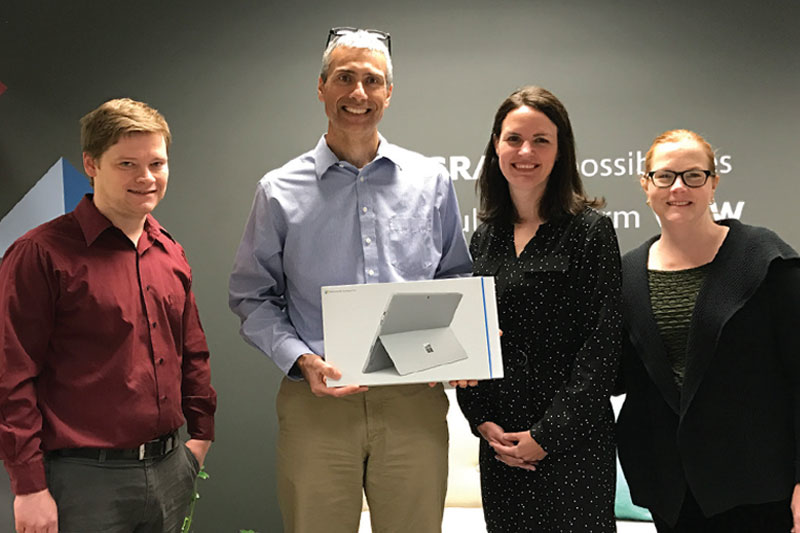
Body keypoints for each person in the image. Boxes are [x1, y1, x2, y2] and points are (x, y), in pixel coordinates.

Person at [228, 28, 471, 533]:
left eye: (371, 81)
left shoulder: (431, 181)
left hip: (412, 401)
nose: (358, 94)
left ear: (388, 93)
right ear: (321, 88)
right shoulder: (278, 190)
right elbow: (253, 297)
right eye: (344, 79)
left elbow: (455, 276)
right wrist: (300, 359)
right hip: (318, 402)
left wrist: (457, 349)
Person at [0, 98, 216, 533]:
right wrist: (28, 487)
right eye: (127, 164)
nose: (146, 178)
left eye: (157, 162)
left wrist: (200, 439)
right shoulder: (41, 254)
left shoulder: (169, 252)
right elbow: (10, 373)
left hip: (170, 469)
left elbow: (192, 352)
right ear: (91, 164)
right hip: (82, 482)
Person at [456, 86, 622, 532]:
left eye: (541, 140)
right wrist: (481, 420)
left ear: (560, 149)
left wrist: (546, 437)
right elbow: (471, 338)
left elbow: (602, 348)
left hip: (573, 444)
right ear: (496, 146)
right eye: (513, 139)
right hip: (501, 443)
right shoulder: (485, 237)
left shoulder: (590, 232)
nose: (525, 151)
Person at [616, 129, 800, 532]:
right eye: (664, 176)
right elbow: (617, 375)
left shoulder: (765, 259)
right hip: (672, 490)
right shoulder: (627, 275)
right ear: (645, 185)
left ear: (714, 183)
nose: (678, 187)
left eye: (693, 176)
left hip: (759, 486)